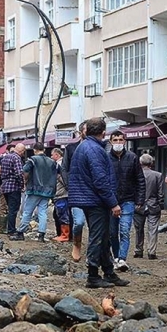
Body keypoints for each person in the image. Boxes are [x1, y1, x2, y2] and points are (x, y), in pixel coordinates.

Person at [68, 118, 130, 289]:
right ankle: (93, 275)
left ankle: (109, 272)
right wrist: (113, 203)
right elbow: (101, 180)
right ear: (104, 133)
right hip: (95, 200)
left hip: (88, 198)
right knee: (98, 237)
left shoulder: (84, 147)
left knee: (103, 237)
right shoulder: (95, 149)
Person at [108, 131, 146, 271]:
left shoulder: (132, 157)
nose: (118, 142)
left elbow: (140, 179)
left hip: (128, 200)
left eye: (120, 140)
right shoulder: (106, 158)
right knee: (112, 232)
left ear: (124, 141)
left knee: (124, 230)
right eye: (115, 140)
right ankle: (116, 257)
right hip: (111, 201)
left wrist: (140, 199)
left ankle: (122, 258)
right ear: (111, 141)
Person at [15, 143, 58, 242]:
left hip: (34, 189)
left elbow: (24, 171)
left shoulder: (33, 160)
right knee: (42, 213)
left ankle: (20, 232)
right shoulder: (52, 162)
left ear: (35, 150)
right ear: (44, 149)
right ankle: (41, 235)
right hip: (47, 191)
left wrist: (25, 181)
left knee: (27, 212)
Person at [64, 121, 88, 261]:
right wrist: (70, 186)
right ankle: (77, 243)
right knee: (78, 222)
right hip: (77, 192)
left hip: (94, 193)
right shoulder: (71, 148)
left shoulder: (101, 148)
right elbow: (65, 168)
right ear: (80, 132)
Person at [133, 153, 163, 260]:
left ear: (140, 163)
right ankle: (152, 251)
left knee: (138, 229)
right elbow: (160, 192)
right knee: (153, 230)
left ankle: (138, 250)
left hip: (138, 205)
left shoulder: (135, 175)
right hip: (153, 205)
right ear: (151, 163)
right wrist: (160, 204)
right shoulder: (157, 175)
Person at [1, 143, 26, 240]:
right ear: (22, 151)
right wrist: (22, 185)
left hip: (5, 186)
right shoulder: (16, 158)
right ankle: (11, 230)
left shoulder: (5, 157)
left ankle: (8, 228)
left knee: (9, 209)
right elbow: (19, 173)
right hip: (14, 187)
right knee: (13, 209)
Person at [0, 144, 14, 233]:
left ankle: (6, 226)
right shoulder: (3, 159)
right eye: (12, 151)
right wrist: (6, 175)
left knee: (9, 206)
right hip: (4, 185)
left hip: (8, 185)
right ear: (7, 151)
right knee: (4, 206)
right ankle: (2, 228)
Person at [51, 148, 71, 242]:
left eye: (52, 155)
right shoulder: (63, 164)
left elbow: (63, 180)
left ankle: (64, 235)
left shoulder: (59, 166)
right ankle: (64, 234)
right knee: (60, 214)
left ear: (57, 155)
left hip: (61, 194)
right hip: (62, 194)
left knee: (62, 214)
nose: (51, 157)